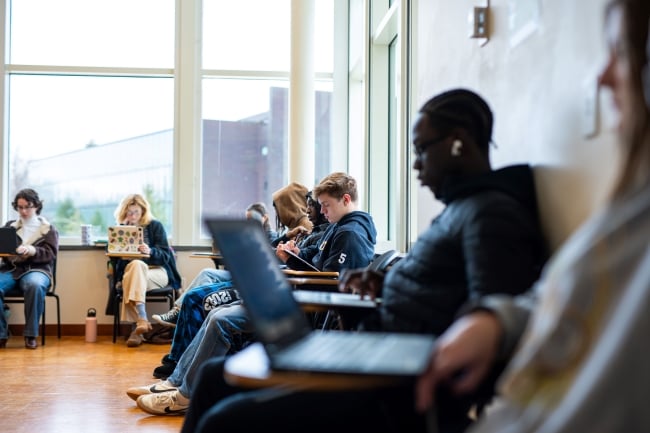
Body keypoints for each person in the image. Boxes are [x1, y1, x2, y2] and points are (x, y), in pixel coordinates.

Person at [162, 88, 548, 433]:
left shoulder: (490, 214)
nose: (416, 166)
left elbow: (486, 324)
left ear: (459, 143)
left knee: (221, 418)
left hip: (395, 383)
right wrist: (385, 285)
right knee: (214, 375)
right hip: (377, 353)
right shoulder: (460, 211)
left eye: (422, 150)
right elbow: (443, 293)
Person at [414, 1, 650, 431]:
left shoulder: (488, 212)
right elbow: (564, 300)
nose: (600, 76)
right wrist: (499, 321)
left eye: (623, 52)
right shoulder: (629, 210)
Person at [130, 172, 377, 416]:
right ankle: (177, 381)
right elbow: (317, 266)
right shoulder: (338, 228)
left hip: (298, 308)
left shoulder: (351, 234)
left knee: (220, 319)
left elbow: (332, 282)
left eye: (326, 205)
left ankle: (185, 395)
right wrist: (295, 255)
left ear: (345, 200)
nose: (322, 211)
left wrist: (291, 265)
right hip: (291, 295)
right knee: (217, 312)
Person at [147, 186, 316, 377]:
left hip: (264, 280)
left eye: (278, 207)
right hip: (258, 273)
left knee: (196, 298)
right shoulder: (292, 229)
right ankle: (177, 321)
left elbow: (274, 257)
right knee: (205, 274)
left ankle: (178, 360)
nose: (276, 212)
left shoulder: (304, 229)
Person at [110, 194, 181, 348]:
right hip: (132, 273)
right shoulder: (119, 229)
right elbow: (112, 258)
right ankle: (142, 321)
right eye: (129, 212)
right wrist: (119, 239)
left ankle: (137, 328)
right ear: (123, 212)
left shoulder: (155, 226)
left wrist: (150, 252)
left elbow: (165, 257)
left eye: (136, 212)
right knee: (136, 265)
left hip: (156, 273)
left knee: (137, 268)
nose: (133, 215)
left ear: (143, 212)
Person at [0, 188, 58, 350]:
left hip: (37, 270)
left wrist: (32, 251)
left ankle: (31, 334)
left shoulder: (47, 229)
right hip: (11, 270)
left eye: (28, 206)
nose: (24, 211)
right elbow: (4, 251)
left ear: (36, 206)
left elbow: (50, 254)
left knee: (35, 285)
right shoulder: (9, 227)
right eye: (20, 207)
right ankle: (1, 335)